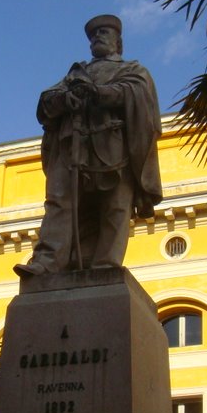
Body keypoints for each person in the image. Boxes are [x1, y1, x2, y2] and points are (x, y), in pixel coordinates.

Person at [15, 14, 162, 277]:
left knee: (115, 206)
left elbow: (138, 96)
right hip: (73, 148)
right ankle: (48, 262)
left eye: (104, 32)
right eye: (94, 35)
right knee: (59, 203)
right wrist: (65, 99)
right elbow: (46, 101)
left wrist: (99, 94)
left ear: (118, 41)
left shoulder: (132, 70)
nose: (97, 37)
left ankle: (106, 266)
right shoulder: (77, 73)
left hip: (114, 149)